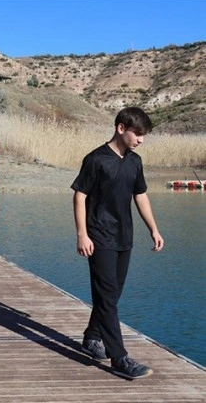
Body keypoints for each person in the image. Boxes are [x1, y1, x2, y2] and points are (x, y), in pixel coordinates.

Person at [71, 107, 164, 380]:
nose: (141, 140)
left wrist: (154, 229)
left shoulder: (135, 162)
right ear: (121, 128)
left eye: (144, 135)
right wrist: (81, 234)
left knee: (111, 295)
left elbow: (141, 196)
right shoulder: (96, 159)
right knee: (108, 296)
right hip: (99, 236)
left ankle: (92, 336)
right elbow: (79, 197)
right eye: (138, 133)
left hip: (125, 237)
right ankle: (119, 357)